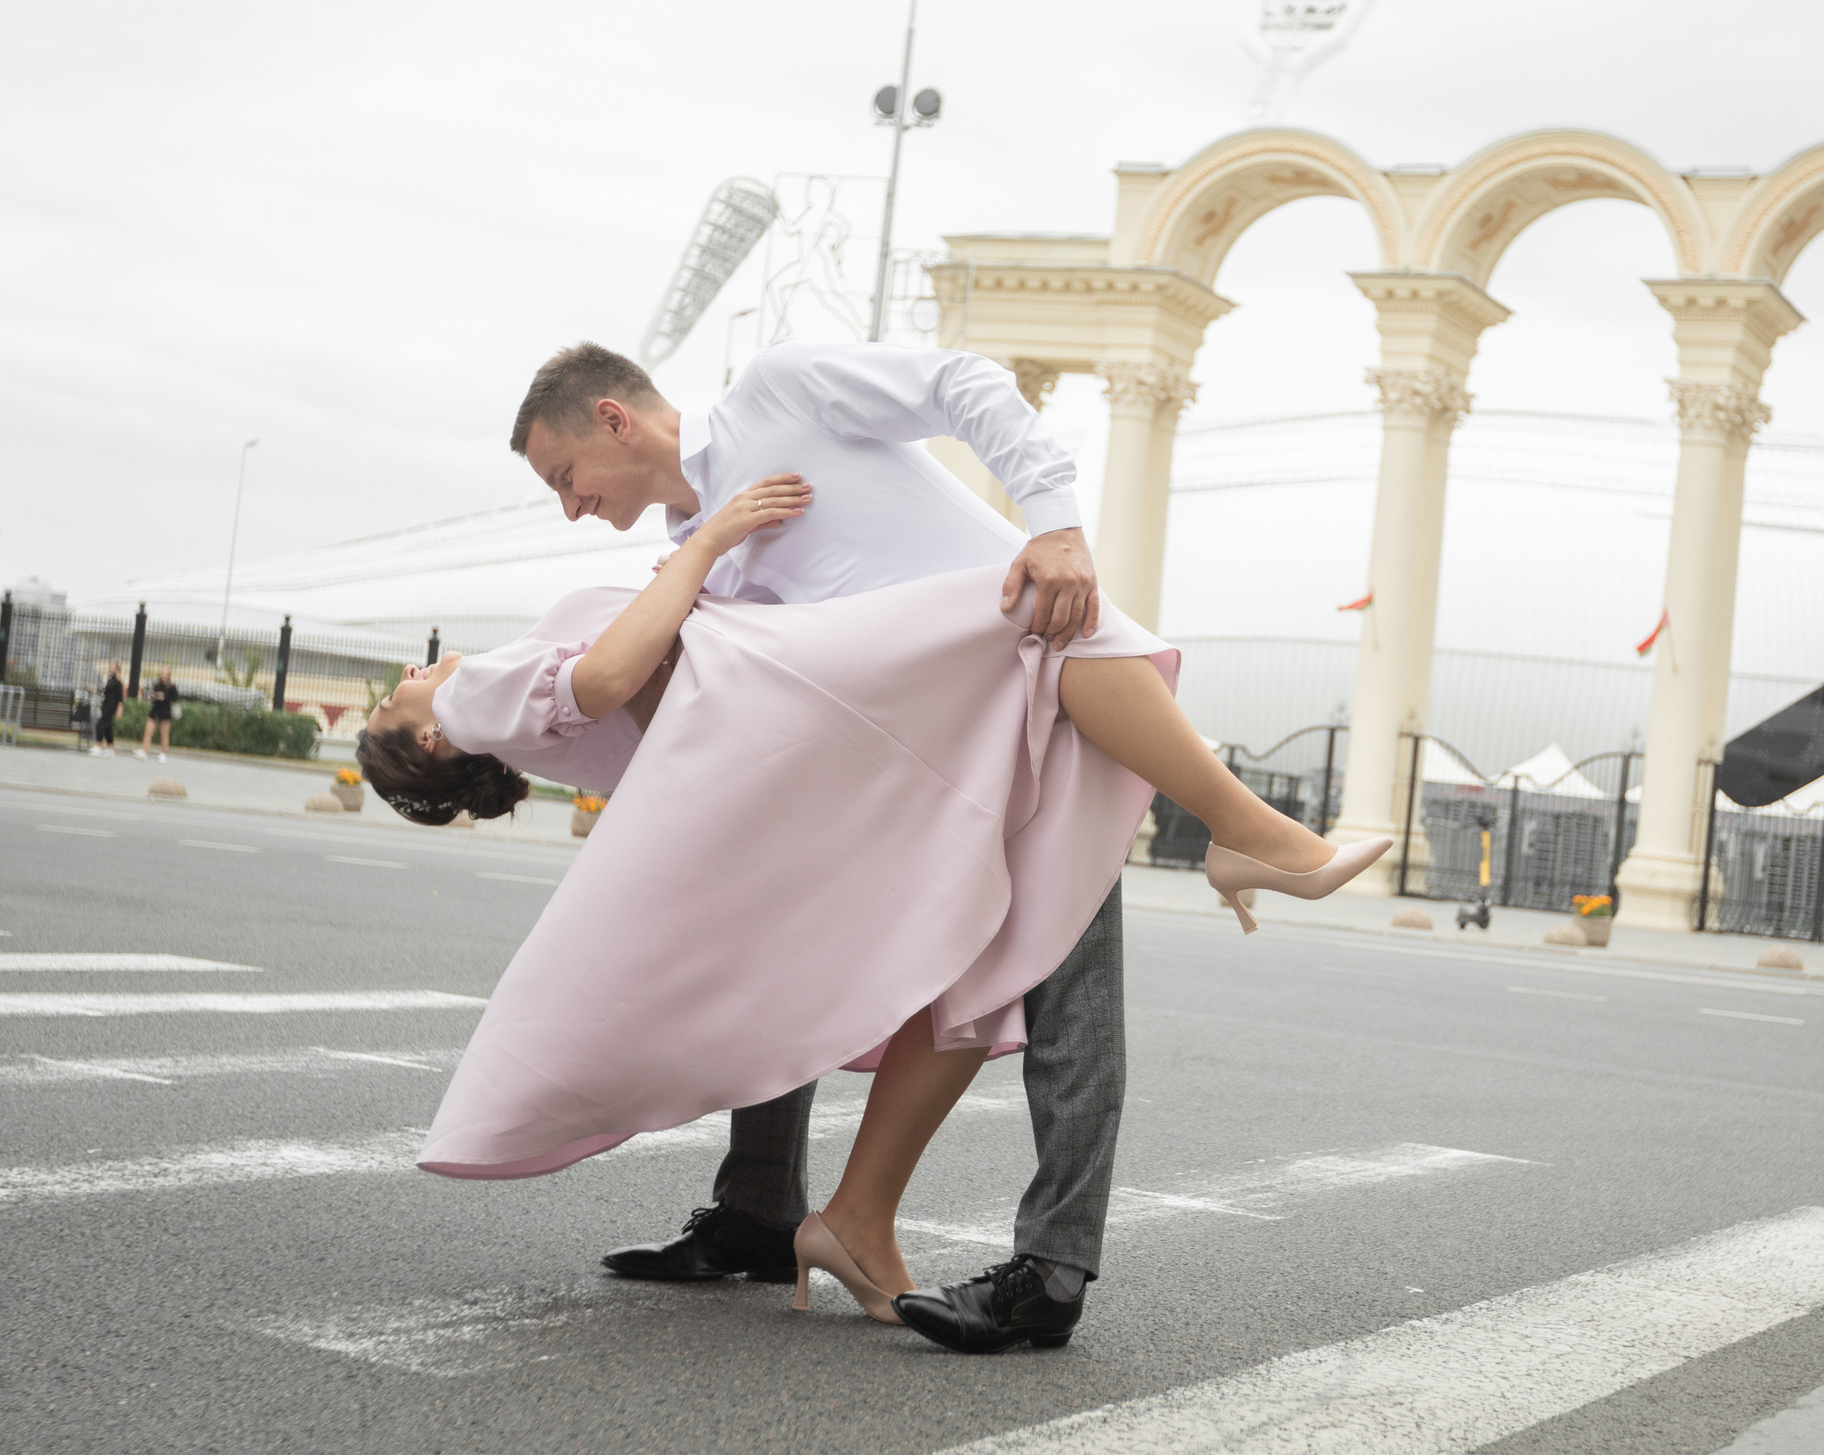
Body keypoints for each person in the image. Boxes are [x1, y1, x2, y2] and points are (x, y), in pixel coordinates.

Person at [356, 472, 1383, 1344]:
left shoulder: (512, 691)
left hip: (807, 734)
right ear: (435, 744)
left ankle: (835, 1219)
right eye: (391, 700)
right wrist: (711, 540)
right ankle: (1255, 839)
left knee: (950, 943)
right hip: (821, 708)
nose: (405, 674)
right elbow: (620, 668)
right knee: (1040, 624)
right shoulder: (477, 693)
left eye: (566, 473)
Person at [137, 666, 176, 760]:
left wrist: (165, 697)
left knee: (164, 733)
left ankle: (163, 753)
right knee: (148, 731)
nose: (164, 675)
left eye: (166, 674)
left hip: (165, 711)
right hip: (155, 710)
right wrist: (155, 696)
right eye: (163, 673)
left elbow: (175, 699)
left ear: (169, 675)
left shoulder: (172, 687)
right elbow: (152, 696)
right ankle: (144, 750)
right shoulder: (157, 685)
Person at [91, 662, 124, 756]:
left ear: (117, 669)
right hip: (106, 704)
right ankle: (111, 748)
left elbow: (120, 697)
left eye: (113, 667)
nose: (111, 669)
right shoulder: (109, 680)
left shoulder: (118, 682)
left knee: (100, 724)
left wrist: (119, 709)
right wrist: (94, 690)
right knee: (108, 727)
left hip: (111, 705)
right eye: (110, 667)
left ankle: (98, 745)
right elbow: (105, 692)